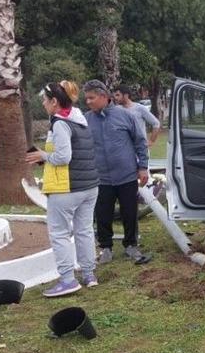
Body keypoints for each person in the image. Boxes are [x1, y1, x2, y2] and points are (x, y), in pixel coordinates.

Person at [26, 81, 100, 297]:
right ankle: (89, 274)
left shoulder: (59, 124)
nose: (43, 103)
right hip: (89, 186)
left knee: (59, 233)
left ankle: (68, 279)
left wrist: (43, 156)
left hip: (66, 188)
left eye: (45, 100)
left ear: (55, 101)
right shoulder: (80, 120)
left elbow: (63, 157)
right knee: (84, 230)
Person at [82, 79, 151, 265]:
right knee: (103, 213)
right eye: (86, 98)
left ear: (104, 97)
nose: (88, 102)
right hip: (101, 178)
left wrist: (143, 167)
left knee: (130, 212)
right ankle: (106, 248)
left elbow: (140, 142)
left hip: (126, 175)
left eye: (91, 98)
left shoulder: (125, 116)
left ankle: (131, 245)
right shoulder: (86, 119)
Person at [112, 85, 160, 151]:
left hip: (139, 150)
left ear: (126, 95)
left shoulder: (140, 108)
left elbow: (156, 123)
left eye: (118, 95)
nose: (115, 98)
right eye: (114, 96)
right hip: (123, 150)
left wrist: (151, 141)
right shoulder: (116, 110)